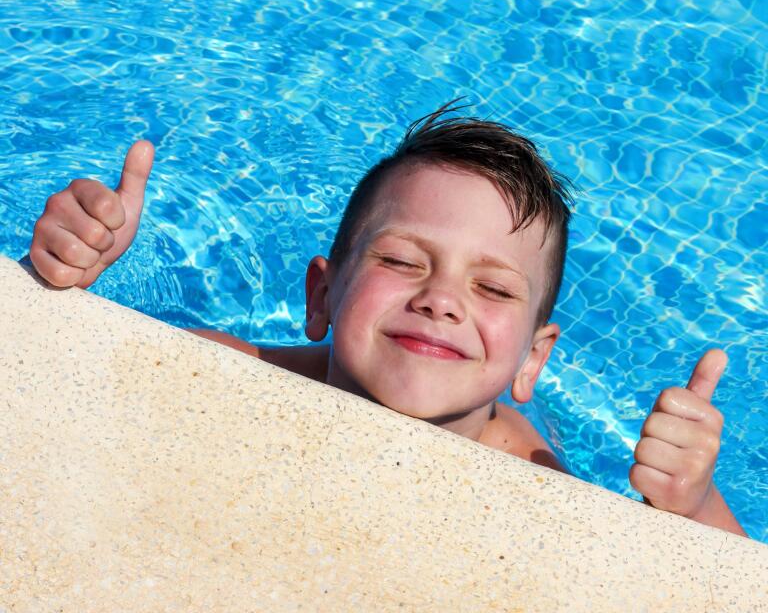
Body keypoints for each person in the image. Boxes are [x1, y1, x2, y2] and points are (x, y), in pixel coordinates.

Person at [22, 101, 747, 537]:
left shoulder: (534, 485)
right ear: (321, 296)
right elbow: (45, 385)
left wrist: (692, 503)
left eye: (493, 289)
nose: (442, 299)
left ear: (533, 360)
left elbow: (729, 584)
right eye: (402, 261)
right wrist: (62, 282)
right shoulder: (223, 373)